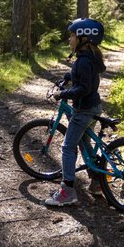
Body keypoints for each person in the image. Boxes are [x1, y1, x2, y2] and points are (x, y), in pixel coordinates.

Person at [44, 18, 107, 207]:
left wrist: (61, 93)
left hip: (84, 109)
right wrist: (68, 76)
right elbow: (82, 77)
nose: (69, 40)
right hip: (92, 107)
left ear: (84, 39)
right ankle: (97, 182)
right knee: (84, 142)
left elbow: (83, 89)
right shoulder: (89, 58)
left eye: (72, 36)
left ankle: (67, 190)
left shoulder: (83, 61)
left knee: (67, 146)